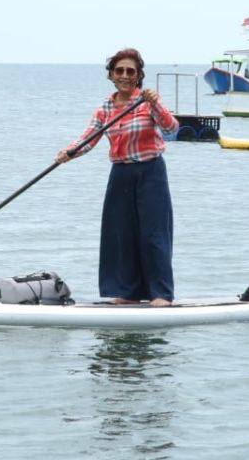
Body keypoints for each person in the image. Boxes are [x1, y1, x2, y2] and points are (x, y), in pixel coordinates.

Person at [56, 48, 179, 306]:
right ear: (112, 75)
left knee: (153, 234)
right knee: (120, 234)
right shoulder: (105, 108)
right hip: (120, 173)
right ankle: (127, 292)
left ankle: (161, 294)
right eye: (119, 71)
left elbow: (171, 128)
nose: (125, 75)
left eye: (130, 71)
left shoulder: (147, 101)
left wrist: (155, 103)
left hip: (151, 172)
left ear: (138, 76)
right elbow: (88, 139)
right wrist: (69, 152)